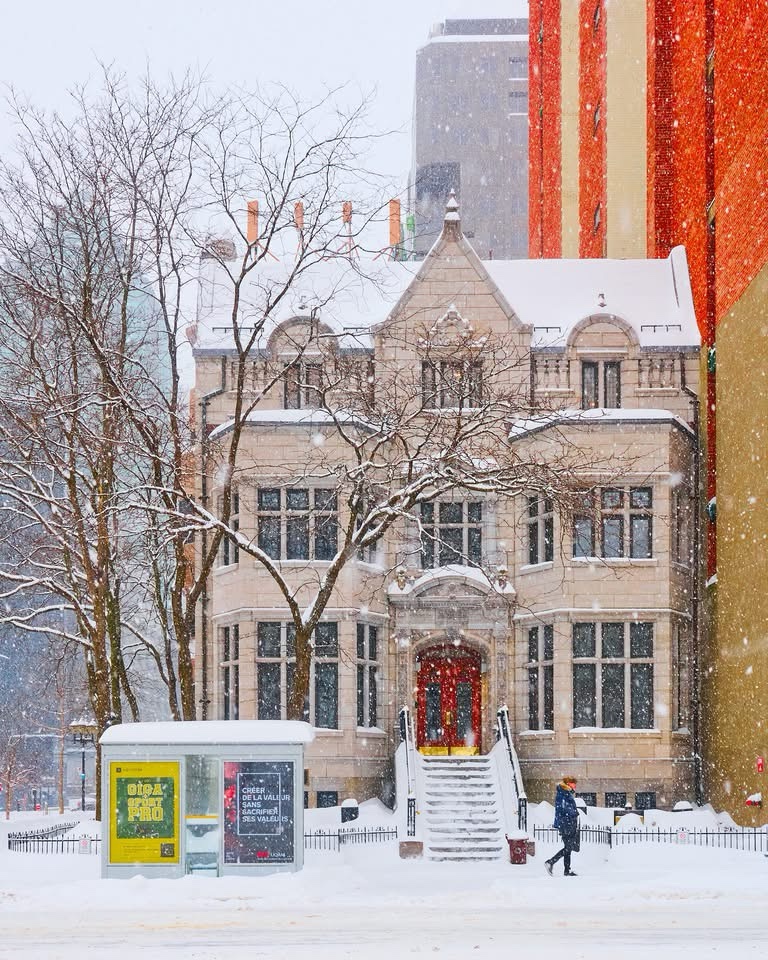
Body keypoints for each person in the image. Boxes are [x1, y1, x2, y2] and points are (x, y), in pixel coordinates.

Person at [545, 775, 580, 876]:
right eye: (574, 784)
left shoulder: (566, 793)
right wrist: (574, 813)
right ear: (568, 784)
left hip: (568, 823)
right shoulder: (563, 794)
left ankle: (567, 871)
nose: (575, 786)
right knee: (568, 847)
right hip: (566, 824)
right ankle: (550, 862)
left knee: (568, 847)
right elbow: (563, 809)